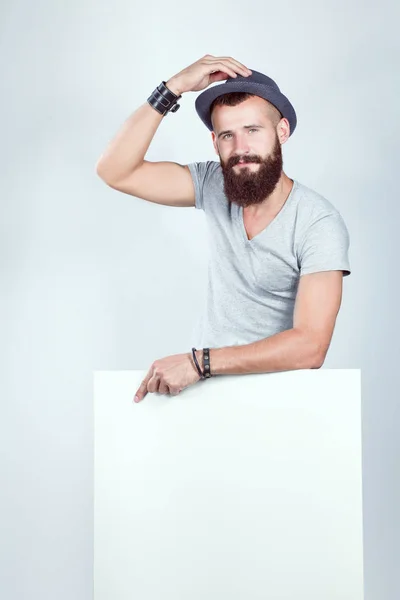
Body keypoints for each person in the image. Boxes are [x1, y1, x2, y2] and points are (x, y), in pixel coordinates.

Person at [95, 55, 351, 403]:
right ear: (215, 142)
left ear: (282, 132)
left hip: (279, 399)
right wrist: (173, 88)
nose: (241, 149)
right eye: (228, 135)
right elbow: (115, 171)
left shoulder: (317, 222)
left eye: (253, 130)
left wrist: (200, 362)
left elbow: (311, 346)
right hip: (205, 391)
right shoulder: (215, 184)